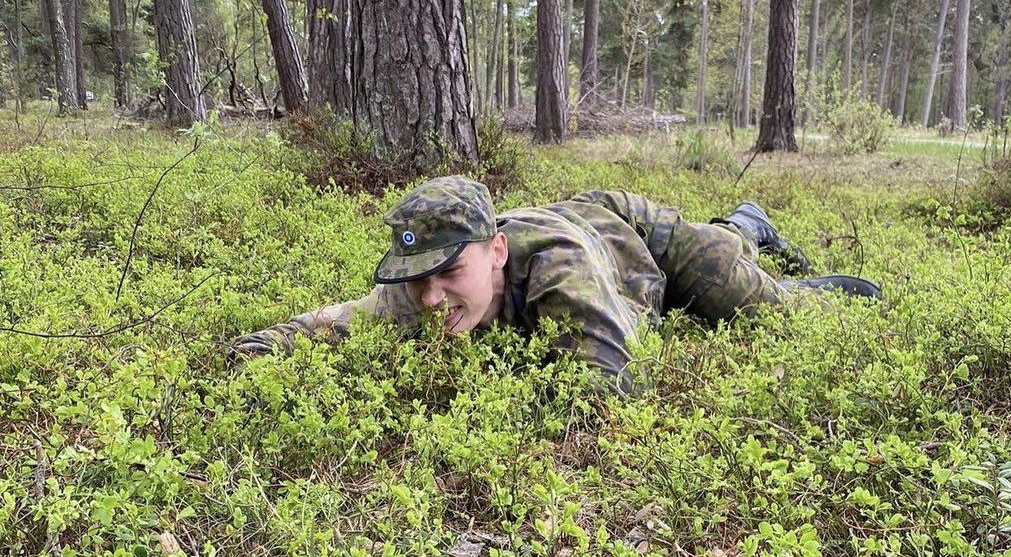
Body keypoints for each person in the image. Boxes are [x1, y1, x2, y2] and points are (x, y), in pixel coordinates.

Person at [230, 177, 880, 390]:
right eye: (419, 279)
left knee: (746, 297)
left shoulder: (558, 271)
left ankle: (749, 227)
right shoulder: (421, 288)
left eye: (451, 273)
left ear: (496, 253)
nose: (432, 300)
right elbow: (324, 326)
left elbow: (605, 386)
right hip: (581, 225)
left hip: (640, 239)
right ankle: (741, 226)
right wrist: (244, 356)